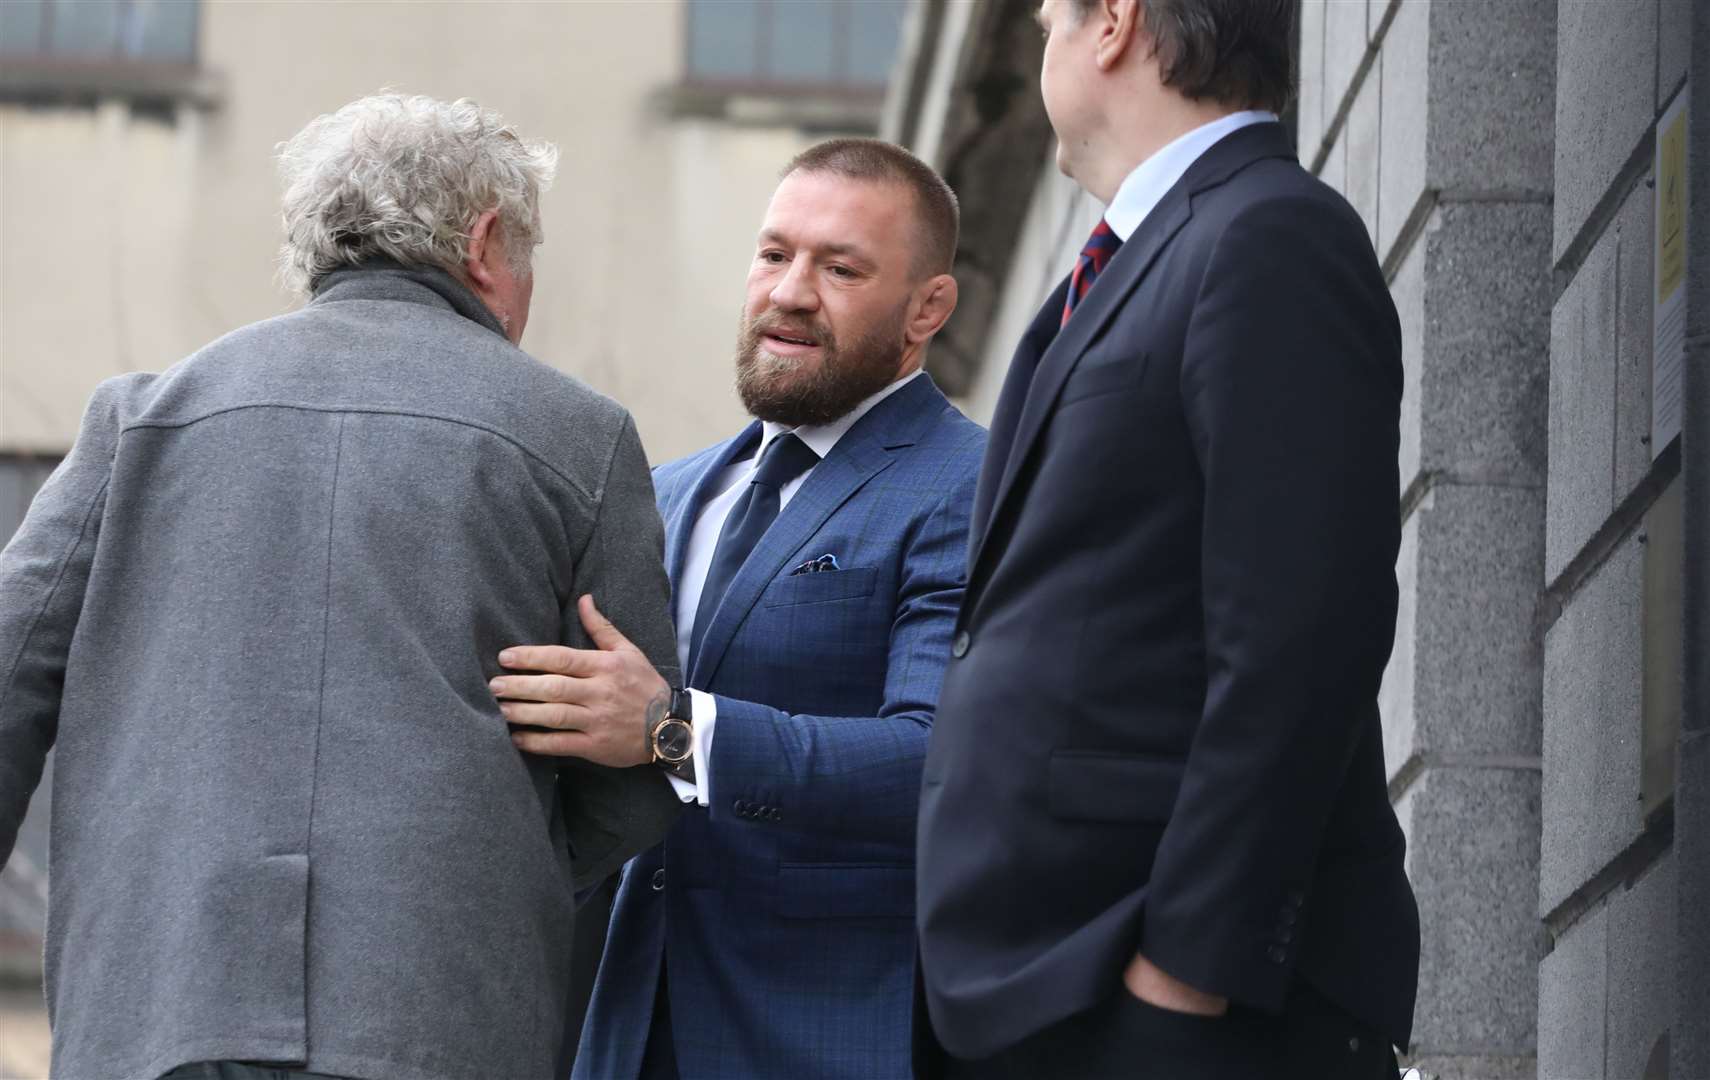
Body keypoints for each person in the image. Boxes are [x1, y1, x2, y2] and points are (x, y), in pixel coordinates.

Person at [0, 93, 681, 1080]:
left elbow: (9, 676)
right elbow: (630, 772)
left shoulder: (139, 419)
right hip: (439, 1015)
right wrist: (490, 875)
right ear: (487, 243)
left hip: (154, 1009)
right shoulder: (580, 439)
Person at [914, 1, 1421, 1077]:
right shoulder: (1103, 282)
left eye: (1054, 8)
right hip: (1045, 990)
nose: (1043, 22)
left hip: (1177, 1009)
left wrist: (1185, 975)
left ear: (1117, 23)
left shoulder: (1269, 235)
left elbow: (1299, 642)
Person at [490, 138, 985, 1080]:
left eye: (840, 268)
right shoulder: (661, 490)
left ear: (929, 308)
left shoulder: (972, 483)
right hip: (624, 1026)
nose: (791, 291)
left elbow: (938, 762)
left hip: (830, 1032)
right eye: (774, 253)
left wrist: (673, 731)